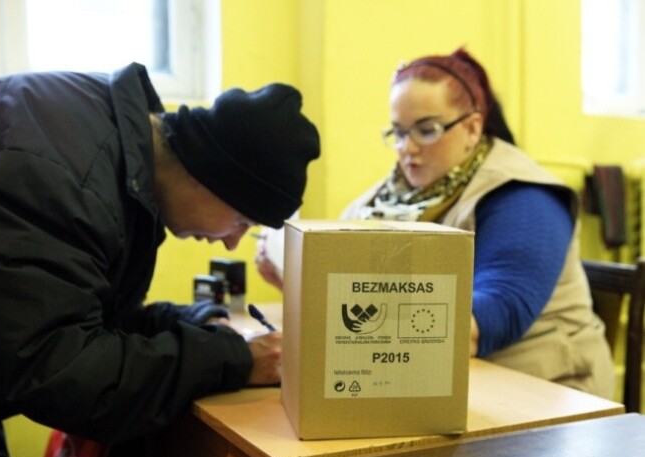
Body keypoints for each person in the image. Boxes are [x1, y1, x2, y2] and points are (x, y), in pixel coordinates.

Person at [0, 63, 320, 457]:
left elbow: (98, 323)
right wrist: (234, 360)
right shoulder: (67, 176)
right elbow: (55, 370)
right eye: (241, 222)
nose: (233, 240)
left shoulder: (119, 156)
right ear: (210, 176)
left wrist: (200, 322)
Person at [256, 48, 615, 399]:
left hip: (546, 392)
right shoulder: (391, 195)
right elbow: (345, 280)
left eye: (426, 130)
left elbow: (489, 318)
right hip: (445, 377)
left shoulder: (523, 196)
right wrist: (299, 280)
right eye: (397, 132)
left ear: (473, 128)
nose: (407, 149)